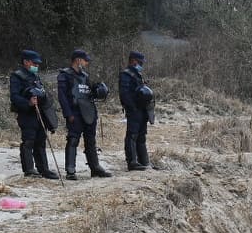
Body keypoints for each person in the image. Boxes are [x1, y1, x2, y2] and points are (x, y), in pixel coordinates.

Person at [56, 49, 111, 180]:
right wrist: (68, 114)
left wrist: (99, 90)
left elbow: (89, 93)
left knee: (91, 141)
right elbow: (62, 98)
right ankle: (70, 170)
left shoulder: (85, 76)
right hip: (75, 112)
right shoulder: (65, 75)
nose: (86, 63)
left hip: (88, 112)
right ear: (78, 60)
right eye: (85, 60)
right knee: (73, 140)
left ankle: (95, 167)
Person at [9, 50, 58, 179]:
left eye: (37, 64)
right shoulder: (17, 76)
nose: (36, 65)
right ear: (26, 62)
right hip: (27, 114)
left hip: (40, 113)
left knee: (41, 141)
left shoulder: (35, 76)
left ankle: (43, 169)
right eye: (34, 63)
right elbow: (14, 97)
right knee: (28, 141)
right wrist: (28, 103)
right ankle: (29, 169)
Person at [118, 50, 154, 171]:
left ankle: (144, 161)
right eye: (139, 62)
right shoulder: (126, 74)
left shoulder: (137, 74)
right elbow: (124, 93)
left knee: (141, 135)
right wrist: (132, 108)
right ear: (133, 61)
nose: (141, 65)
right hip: (134, 109)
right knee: (132, 135)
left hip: (142, 109)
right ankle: (132, 162)